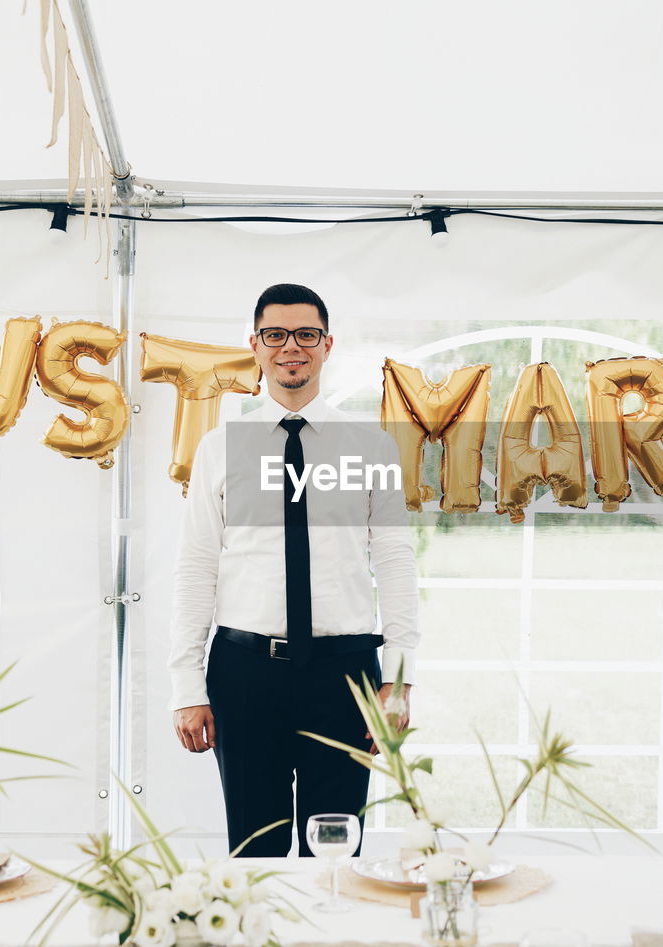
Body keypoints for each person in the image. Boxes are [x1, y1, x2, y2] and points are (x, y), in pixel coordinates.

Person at [169, 283, 419, 857]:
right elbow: (195, 568)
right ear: (254, 346)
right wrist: (186, 685)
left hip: (346, 675)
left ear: (327, 345)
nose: (291, 348)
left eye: (305, 335)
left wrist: (399, 679)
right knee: (253, 851)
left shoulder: (371, 447)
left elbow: (397, 565)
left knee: (335, 851)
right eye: (275, 335)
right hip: (244, 673)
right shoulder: (218, 448)